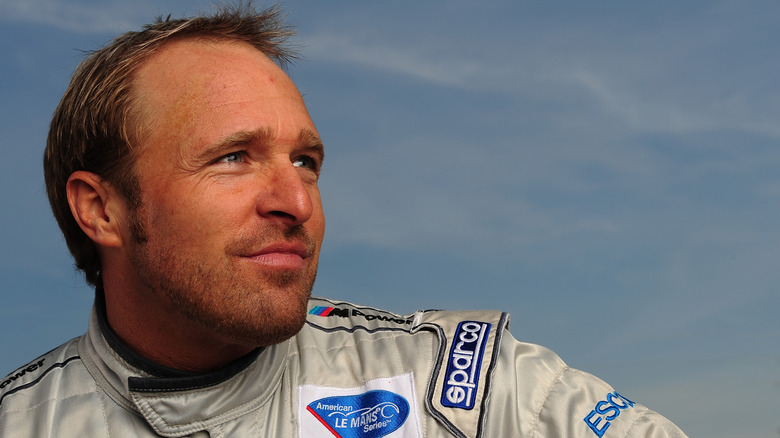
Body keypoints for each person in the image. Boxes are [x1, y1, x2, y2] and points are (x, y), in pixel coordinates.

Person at [0, 4, 687, 437]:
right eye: (234, 157)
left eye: (306, 161)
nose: (295, 202)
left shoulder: (463, 395)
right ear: (101, 209)